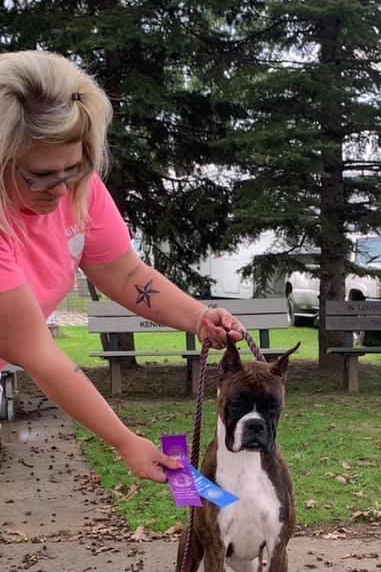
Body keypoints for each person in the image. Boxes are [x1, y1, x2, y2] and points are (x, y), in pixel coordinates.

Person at [0, 50, 244, 482]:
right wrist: (125, 441)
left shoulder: (79, 189)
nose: (62, 189)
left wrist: (199, 317)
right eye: (41, 175)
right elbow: (41, 355)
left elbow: (126, 275)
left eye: (74, 169)